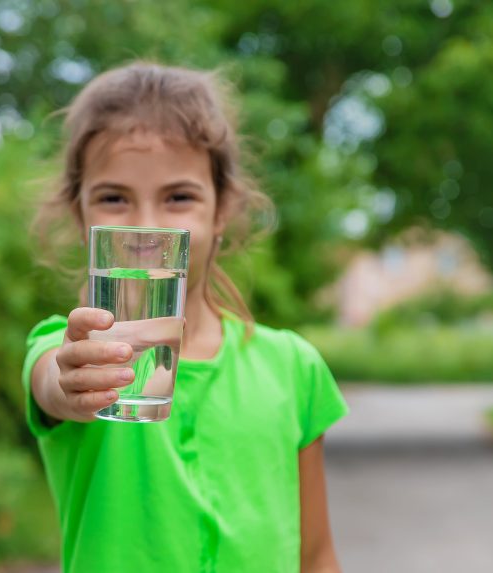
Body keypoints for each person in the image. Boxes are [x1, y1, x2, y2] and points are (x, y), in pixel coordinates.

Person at [23, 62, 349, 573]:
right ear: (79, 214)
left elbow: (315, 556)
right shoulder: (65, 351)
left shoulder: (294, 367)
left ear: (221, 211)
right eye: (113, 198)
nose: (147, 228)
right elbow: (54, 385)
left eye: (178, 197)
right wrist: (72, 383)